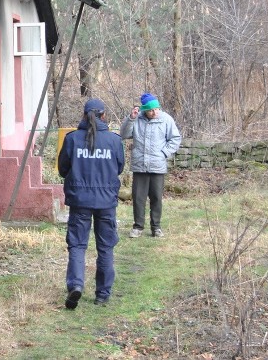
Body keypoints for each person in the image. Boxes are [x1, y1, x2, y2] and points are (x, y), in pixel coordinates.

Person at [58, 98, 125, 309]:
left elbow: (62, 169)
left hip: (79, 201)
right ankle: (102, 294)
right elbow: (120, 167)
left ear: (83, 115)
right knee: (105, 247)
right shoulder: (114, 141)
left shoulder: (72, 139)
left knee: (77, 244)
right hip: (106, 201)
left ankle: (76, 285)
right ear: (104, 115)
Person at [121, 92, 182, 239]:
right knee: (138, 198)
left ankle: (156, 227)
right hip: (139, 165)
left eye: (156, 109)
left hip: (157, 165)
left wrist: (163, 153)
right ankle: (138, 227)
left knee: (156, 197)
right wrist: (131, 118)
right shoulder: (136, 119)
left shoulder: (166, 119)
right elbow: (123, 134)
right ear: (144, 110)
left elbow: (175, 139)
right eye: (150, 110)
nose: (154, 112)